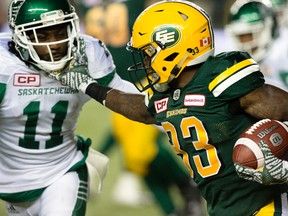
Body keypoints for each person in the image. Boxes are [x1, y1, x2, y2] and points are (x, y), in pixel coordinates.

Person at [49, 0, 288, 215]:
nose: (144, 61)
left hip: (270, 207)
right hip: (226, 209)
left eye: (148, 53)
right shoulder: (168, 94)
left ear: (173, 48)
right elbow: (139, 109)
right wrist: (88, 85)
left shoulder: (221, 78)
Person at [0, 0, 139, 215]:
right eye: (41, 35)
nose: (54, 44)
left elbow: (137, 104)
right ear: (21, 38)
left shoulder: (87, 53)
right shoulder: (4, 66)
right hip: (10, 184)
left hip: (63, 172)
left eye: (59, 32)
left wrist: (89, 86)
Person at [84, 1, 205, 215]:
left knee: (139, 152)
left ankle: (186, 187)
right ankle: (177, 204)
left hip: (144, 75)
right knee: (134, 149)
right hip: (116, 80)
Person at [225, 0, 288, 90]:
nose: (247, 42)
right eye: (241, 36)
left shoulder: (283, 50)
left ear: (267, 30)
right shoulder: (231, 57)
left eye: (251, 35)